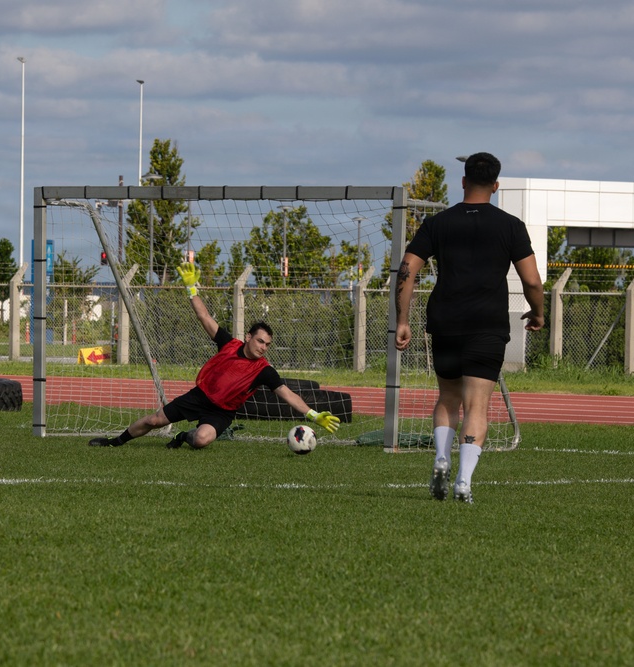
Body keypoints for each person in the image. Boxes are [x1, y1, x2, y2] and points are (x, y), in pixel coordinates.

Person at [394, 152, 544, 503]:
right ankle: (463, 480)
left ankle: (441, 458)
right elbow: (533, 282)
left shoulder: (438, 224)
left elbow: (406, 269)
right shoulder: (510, 225)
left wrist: (402, 320)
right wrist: (537, 314)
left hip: (445, 321)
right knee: (477, 405)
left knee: (448, 397)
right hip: (487, 325)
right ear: (496, 185)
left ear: (462, 181)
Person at [88, 261, 341, 449]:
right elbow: (204, 317)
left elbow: (287, 394)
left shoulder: (264, 370)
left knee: (201, 439)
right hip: (199, 397)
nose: (263, 347)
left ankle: (183, 436)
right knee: (155, 420)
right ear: (249, 338)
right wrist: (191, 289)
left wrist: (313, 415)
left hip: (222, 411)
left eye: (267, 345)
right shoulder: (228, 344)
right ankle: (114, 442)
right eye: (260, 341)